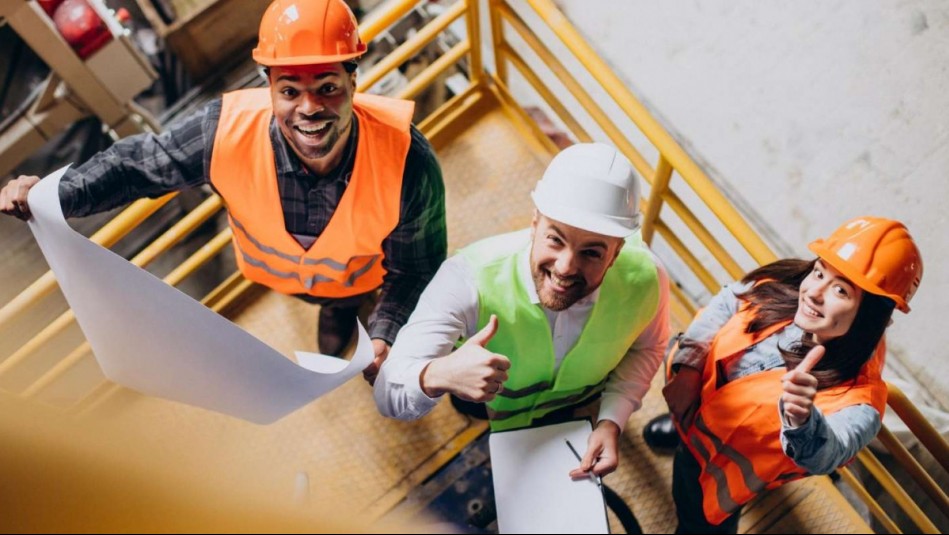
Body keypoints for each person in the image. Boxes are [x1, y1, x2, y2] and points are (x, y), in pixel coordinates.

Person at [0, 0, 446, 383]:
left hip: (359, 274)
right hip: (284, 277)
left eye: (327, 88)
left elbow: (412, 269)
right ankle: (331, 308)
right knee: (325, 299)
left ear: (354, 82)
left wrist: (386, 332)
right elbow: (138, 165)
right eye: (290, 90)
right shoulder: (223, 131)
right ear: (268, 88)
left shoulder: (408, 163)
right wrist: (53, 194)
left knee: (349, 297)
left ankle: (344, 308)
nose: (310, 109)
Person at [374, 142, 671, 479]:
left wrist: (611, 420)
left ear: (616, 254)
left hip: (577, 403)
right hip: (486, 400)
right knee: (469, 404)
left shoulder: (648, 279)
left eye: (591, 253)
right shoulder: (467, 279)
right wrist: (441, 375)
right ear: (534, 224)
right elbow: (388, 390)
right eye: (555, 240)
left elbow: (647, 348)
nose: (565, 268)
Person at [654, 216, 923, 533]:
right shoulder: (787, 284)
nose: (812, 292)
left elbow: (827, 454)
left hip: (718, 468)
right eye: (819, 272)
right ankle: (683, 428)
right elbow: (730, 299)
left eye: (840, 290)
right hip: (697, 406)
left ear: (873, 316)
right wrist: (689, 369)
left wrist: (802, 420)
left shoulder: (861, 402)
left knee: (697, 519)